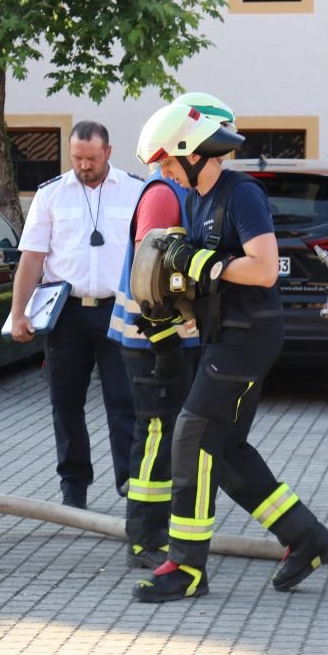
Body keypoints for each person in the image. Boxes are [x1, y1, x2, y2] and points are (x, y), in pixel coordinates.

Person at [130, 103, 328, 603]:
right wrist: (170, 314)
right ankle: (306, 537)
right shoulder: (197, 200)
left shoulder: (240, 193)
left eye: (166, 165)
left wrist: (202, 260)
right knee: (225, 453)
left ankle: (185, 567)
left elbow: (264, 269)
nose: (164, 176)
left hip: (248, 337)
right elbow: (205, 277)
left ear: (191, 154)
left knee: (192, 436)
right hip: (224, 334)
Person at [108, 93, 236, 570]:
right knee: (157, 433)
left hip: (169, 337)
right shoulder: (165, 195)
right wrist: (163, 340)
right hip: (152, 340)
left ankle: (155, 529)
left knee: (167, 433)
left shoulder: (189, 193)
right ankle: (144, 537)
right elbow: (150, 277)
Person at [11, 121, 143, 509]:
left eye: (91, 158)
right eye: (77, 158)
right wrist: (19, 313)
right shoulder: (51, 195)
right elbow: (33, 257)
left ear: (108, 152)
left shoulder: (136, 191)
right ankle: (74, 487)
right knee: (65, 403)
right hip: (66, 316)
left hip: (119, 312)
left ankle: (131, 485)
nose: (84, 166)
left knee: (124, 402)